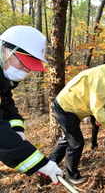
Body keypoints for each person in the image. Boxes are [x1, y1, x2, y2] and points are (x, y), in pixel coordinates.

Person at [49, 48, 105, 184]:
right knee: (76, 143)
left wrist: (103, 119)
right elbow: (96, 107)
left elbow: (102, 102)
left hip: (73, 108)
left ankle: (50, 164)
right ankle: (72, 176)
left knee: (67, 138)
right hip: (66, 107)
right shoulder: (100, 77)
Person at [0, 25, 63, 185]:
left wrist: (17, 129)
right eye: (24, 63)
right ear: (5, 50)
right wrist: (40, 163)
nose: (26, 70)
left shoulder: (3, 80)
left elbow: (6, 105)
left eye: (30, 67)